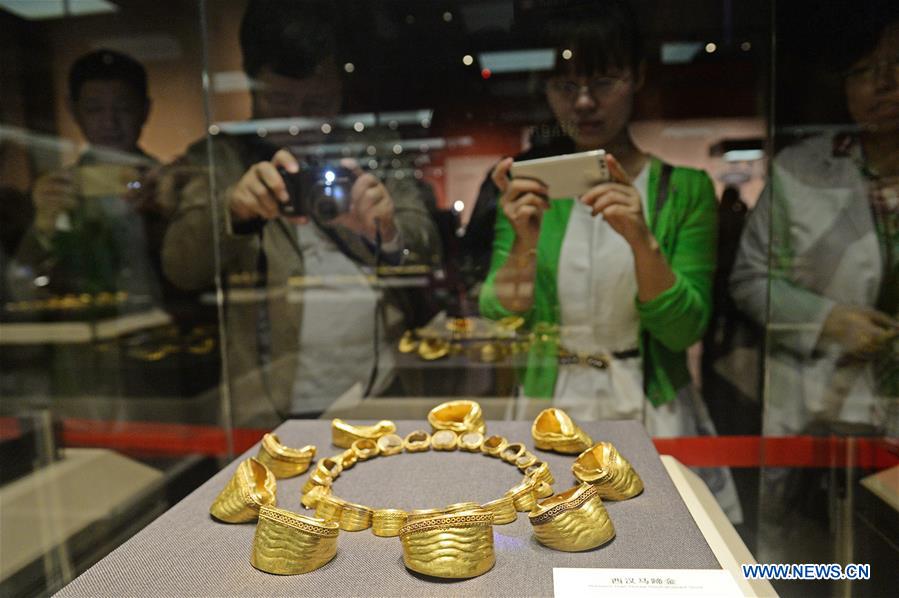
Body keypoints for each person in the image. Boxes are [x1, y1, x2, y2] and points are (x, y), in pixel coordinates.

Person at [160, 1, 441, 424]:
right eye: (280, 100)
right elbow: (181, 268)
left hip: (382, 384)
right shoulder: (220, 158)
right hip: (269, 401)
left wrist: (386, 230)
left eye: (317, 102)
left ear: (339, 90)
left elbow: (426, 247)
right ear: (253, 89)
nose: (297, 121)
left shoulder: (373, 146)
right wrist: (233, 213)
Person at [479, 1, 718, 433]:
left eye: (604, 82)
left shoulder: (684, 188)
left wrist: (644, 243)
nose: (584, 102)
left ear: (638, 77)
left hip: (650, 405)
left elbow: (684, 331)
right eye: (565, 86)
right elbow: (500, 312)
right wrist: (523, 243)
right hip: (550, 401)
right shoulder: (530, 189)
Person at [730, 15, 899, 438]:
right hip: (825, 408)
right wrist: (828, 321)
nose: (885, 82)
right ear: (842, 84)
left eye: (898, 64)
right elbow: (751, 279)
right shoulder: (799, 170)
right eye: (864, 71)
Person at [13, 49, 161, 304]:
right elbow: (19, 285)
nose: (109, 122)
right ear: (73, 110)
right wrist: (42, 228)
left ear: (145, 110)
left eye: (123, 108)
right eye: (94, 109)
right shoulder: (55, 189)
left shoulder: (170, 183)